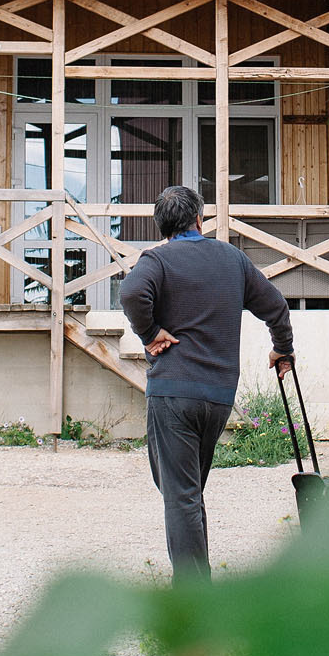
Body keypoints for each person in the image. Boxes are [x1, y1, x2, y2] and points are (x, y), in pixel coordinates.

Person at [117, 184, 294, 580]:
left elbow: (131, 293)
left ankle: (194, 597)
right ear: (199, 219)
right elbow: (276, 307)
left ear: (162, 226)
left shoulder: (157, 260)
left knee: (179, 494)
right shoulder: (232, 259)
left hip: (173, 392)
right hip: (217, 396)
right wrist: (282, 349)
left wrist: (149, 334)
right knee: (188, 492)